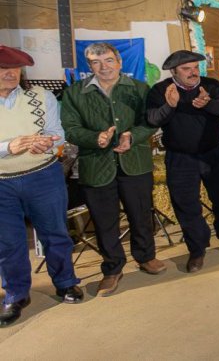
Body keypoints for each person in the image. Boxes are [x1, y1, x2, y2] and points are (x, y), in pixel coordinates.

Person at [60, 43, 165, 296]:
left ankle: (146, 256)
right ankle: (112, 268)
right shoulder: (74, 93)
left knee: (141, 214)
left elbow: (150, 122)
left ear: (119, 62)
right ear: (89, 66)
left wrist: (132, 136)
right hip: (96, 166)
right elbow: (71, 129)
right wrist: (95, 138)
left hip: (135, 163)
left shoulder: (139, 88)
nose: (103, 67)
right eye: (96, 62)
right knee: (104, 221)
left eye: (108, 60)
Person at [0, 45, 82, 327]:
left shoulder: (41, 96)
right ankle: (16, 294)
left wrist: (47, 143)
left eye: (14, 68)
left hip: (43, 176)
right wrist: (7, 147)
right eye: (3, 68)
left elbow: (57, 133)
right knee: (8, 242)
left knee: (55, 233)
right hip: (2, 184)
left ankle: (66, 282)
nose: (10, 73)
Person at [146, 51, 219, 273]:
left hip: (214, 153)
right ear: (174, 72)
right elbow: (152, 119)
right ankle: (197, 249)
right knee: (186, 205)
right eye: (186, 69)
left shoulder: (211, 85)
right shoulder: (161, 90)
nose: (192, 72)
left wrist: (208, 104)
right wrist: (169, 105)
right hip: (180, 157)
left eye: (195, 67)